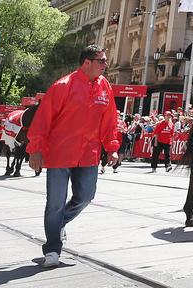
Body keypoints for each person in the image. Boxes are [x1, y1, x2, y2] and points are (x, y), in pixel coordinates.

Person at [27, 45, 120, 268]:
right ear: (86, 62)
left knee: (86, 196)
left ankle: (58, 225)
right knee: (55, 204)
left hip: (89, 155)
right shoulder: (62, 86)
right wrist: (36, 150)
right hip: (60, 154)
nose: (106, 65)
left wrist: (112, 147)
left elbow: (110, 120)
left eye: (105, 61)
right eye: (102, 61)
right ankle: (52, 249)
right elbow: (43, 120)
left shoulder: (105, 87)